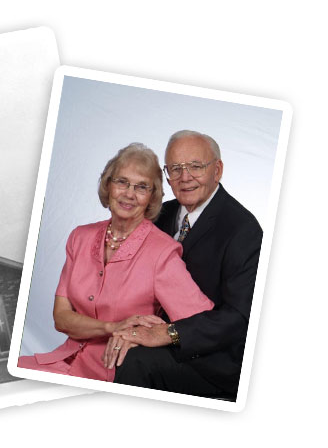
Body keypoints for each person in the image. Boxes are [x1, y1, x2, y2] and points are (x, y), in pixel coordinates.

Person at [17, 143, 213, 382]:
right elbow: (62, 318)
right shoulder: (80, 237)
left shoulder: (161, 252)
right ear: (108, 185)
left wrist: (154, 334)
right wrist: (114, 326)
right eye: (122, 182)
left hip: (117, 372)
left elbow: (201, 323)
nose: (129, 194)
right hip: (64, 359)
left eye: (142, 187)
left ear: (152, 196)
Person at [111, 130, 263, 400]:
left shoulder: (243, 229)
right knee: (108, 352)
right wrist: (128, 328)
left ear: (217, 170)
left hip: (213, 361)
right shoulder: (160, 215)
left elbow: (238, 318)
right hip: (157, 336)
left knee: (134, 363)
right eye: (175, 168)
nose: (185, 177)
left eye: (195, 166)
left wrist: (167, 333)